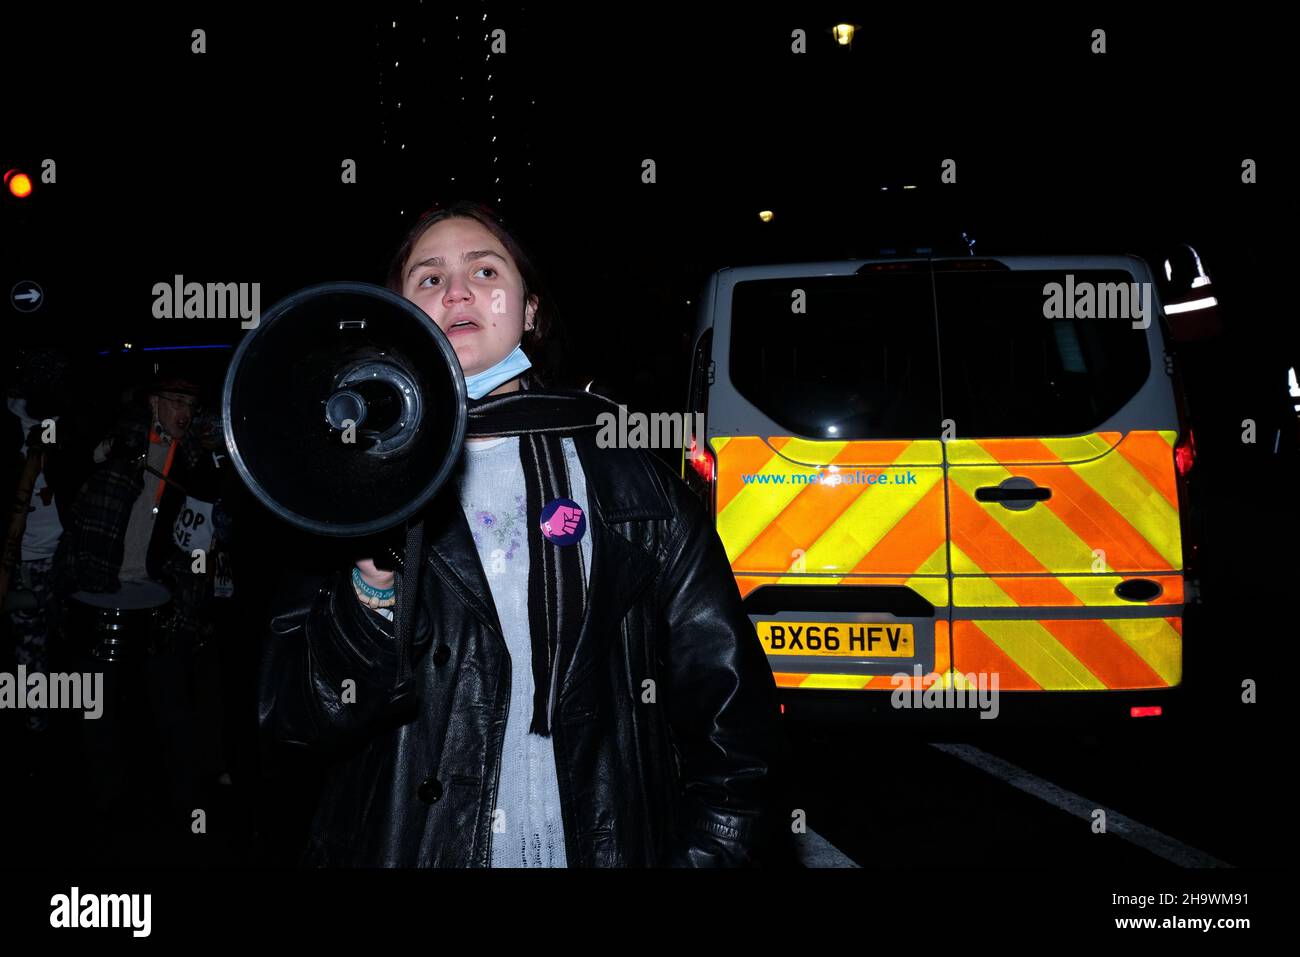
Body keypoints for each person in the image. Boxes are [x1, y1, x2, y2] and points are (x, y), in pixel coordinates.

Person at [260, 200, 786, 867]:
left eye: (484, 270)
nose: (456, 291)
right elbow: (297, 721)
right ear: (398, 316)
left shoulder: (628, 474)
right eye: (428, 279)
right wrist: (371, 579)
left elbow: (732, 717)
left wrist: (708, 853)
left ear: (530, 310)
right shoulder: (347, 482)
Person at [55, 374, 230, 832]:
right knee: (97, 709)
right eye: (174, 400)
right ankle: (104, 807)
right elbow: (76, 463)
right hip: (97, 590)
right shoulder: (120, 438)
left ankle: (188, 811)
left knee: (171, 707)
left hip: (158, 600)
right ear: (154, 402)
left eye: (189, 402)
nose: (183, 411)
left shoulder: (192, 455)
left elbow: (204, 521)